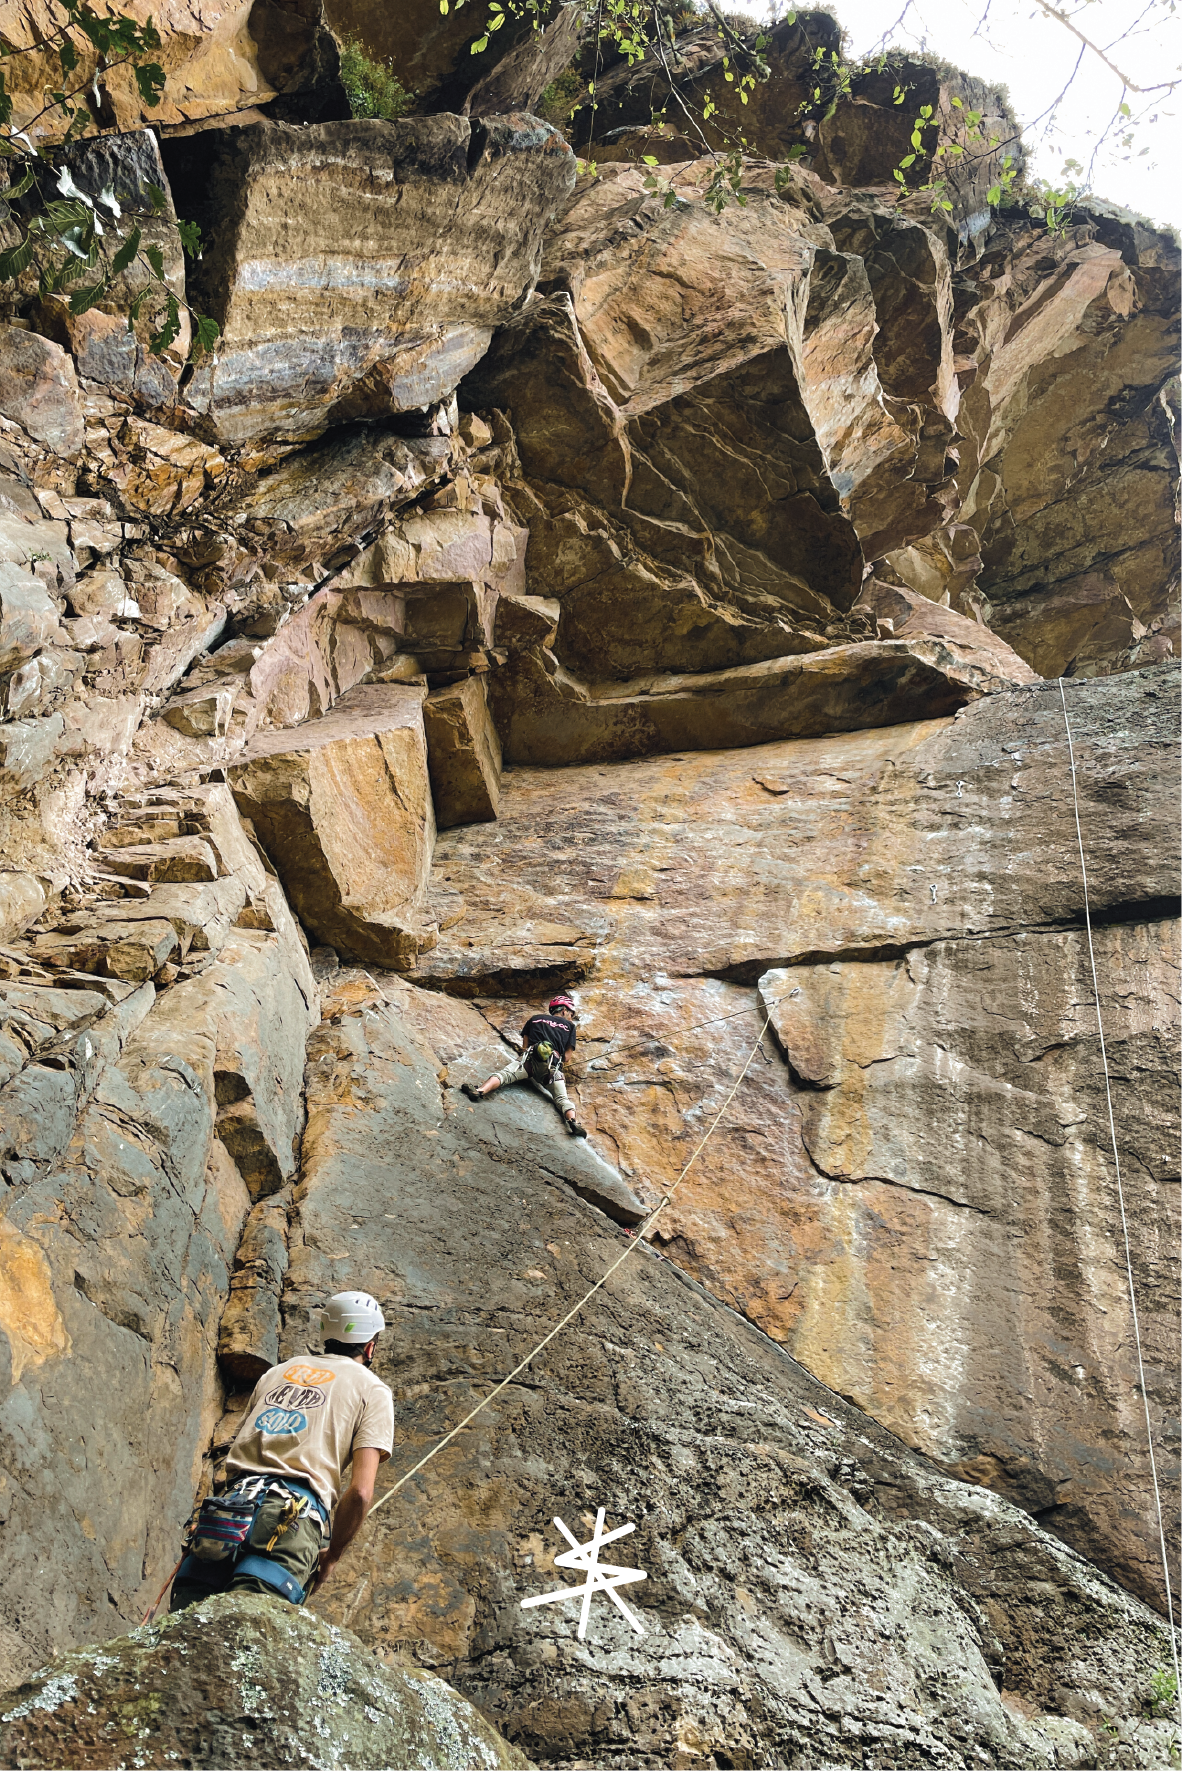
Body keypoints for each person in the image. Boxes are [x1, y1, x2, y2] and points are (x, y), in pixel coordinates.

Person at [169, 1291, 394, 1611]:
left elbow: (237, 1453)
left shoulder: (277, 1373)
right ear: (370, 1344)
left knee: (184, 1634)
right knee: (250, 1637)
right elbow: (360, 1492)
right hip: (291, 1521)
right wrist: (331, 1557)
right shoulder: (371, 1389)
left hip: (226, 1511)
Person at [463, 993, 587, 1137]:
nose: (571, 1017)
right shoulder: (570, 1026)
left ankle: (480, 1091)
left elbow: (524, 1047)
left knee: (505, 1075)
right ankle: (572, 1121)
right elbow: (566, 1057)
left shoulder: (534, 1019)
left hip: (529, 1061)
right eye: (571, 1014)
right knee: (562, 1099)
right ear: (564, 1011)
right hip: (552, 1069)